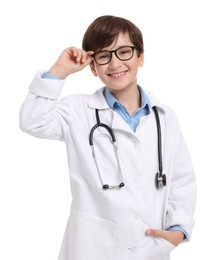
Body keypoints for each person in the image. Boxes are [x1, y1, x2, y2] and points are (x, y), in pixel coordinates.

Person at [19, 15, 196, 260]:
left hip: (149, 248)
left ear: (140, 57)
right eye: (104, 56)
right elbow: (32, 120)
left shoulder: (164, 118)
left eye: (124, 52)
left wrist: (178, 229)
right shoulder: (77, 110)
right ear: (93, 67)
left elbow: (181, 179)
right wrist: (59, 71)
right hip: (92, 248)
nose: (115, 64)